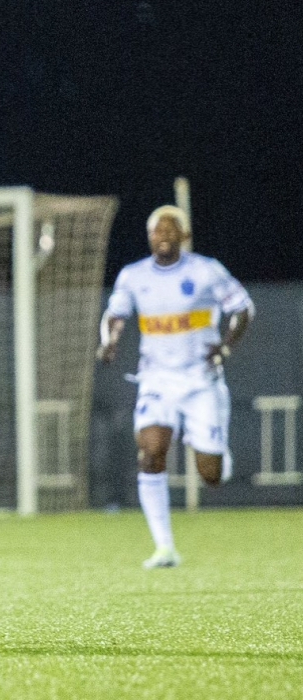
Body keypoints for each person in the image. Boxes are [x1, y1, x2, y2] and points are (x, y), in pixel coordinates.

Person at [97, 205, 253, 568]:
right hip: (156, 380)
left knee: (210, 475)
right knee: (151, 451)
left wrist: (226, 346)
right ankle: (164, 548)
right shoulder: (133, 275)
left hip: (201, 382)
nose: (163, 236)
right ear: (149, 236)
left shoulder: (206, 271)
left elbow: (243, 308)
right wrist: (109, 340)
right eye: (156, 231)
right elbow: (115, 315)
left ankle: (216, 452)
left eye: (170, 230)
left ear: (183, 236)